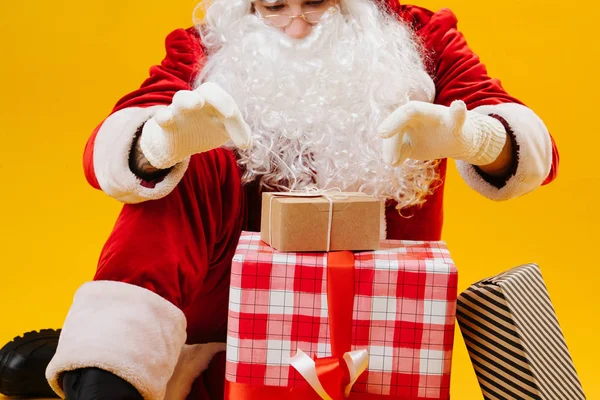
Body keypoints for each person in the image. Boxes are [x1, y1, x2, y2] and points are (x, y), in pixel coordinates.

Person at [0, 0, 558, 399]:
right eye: (273, 6)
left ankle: (84, 358)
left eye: (316, 3)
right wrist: (160, 141)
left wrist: (475, 138)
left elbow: (535, 149)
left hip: (369, 322)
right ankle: (106, 376)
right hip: (224, 322)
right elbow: (106, 149)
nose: (296, 27)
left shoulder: (418, 35)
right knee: (191, 159)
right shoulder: (206, 42)